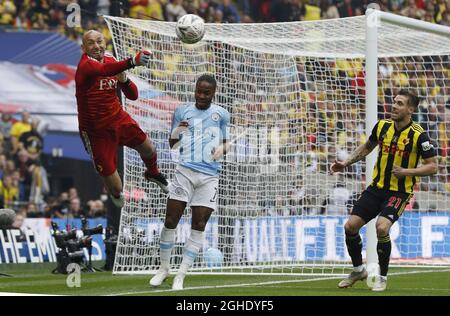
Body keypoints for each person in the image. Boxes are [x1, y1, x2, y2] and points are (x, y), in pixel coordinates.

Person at [330, 90, 437, 291]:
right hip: (376, 188)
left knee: (381, 227)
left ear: (410, 109)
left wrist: (406, 171)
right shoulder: (381, 126)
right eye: (394, 102)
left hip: (399, 192)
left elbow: (432, 166)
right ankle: (358, 270)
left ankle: (382, 277)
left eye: (400, 103)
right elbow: (367, 147)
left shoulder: (419, 135)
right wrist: (345, 163)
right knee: (350, 227)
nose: (394, 106)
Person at [150, 74, 230, 290]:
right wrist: (179, 130)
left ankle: (181, 275)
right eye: (198, 91)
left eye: (206, 92)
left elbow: (225, 143)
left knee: (199, 225)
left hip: (209, 176)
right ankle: (164, 269)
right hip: (184, 171)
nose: (201, 96)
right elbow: (172, 144)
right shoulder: (182, 111)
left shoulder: (222, 114)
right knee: (170, 220)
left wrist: (222, 149)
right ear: (194, 90)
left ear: (213, 93)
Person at [75, 30, 168, 209]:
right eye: (91, 43)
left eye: (99, 41)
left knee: (149, 149)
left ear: (105, 42)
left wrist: (124, 80)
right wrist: (133, 61)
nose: (96, 46)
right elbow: (102, 70)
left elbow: (133, 96)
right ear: (83, 48)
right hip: (97, 131)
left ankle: (153, 173)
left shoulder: (111, 60)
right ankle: (112, 187)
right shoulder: (86, 65)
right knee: (117, 189)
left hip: (118, 118)